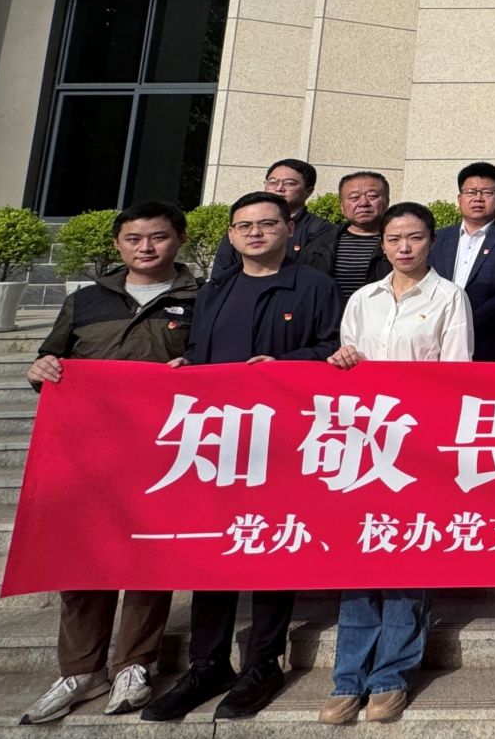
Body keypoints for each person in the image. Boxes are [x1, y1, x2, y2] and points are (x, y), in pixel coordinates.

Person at [142, 191, 341, 722]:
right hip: (220, 445)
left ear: (289, 231)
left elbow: (332, 349)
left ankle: (263, 663)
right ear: (231, 235)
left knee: (272, 546)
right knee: (215, 549)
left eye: (267, 224)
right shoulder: (215, 289)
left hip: (282, 441)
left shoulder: (316, 286)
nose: (255, 233)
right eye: (244, 226)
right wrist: (188, 366)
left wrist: (284, 365)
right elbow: (202, 354)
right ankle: (207, 664)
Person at [20, 201, 196, 724]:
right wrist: (41, 369)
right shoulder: (86, 300)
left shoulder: (202, 298)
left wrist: (197, 367)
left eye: (158, 237)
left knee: (148, 555)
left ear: (179, 240)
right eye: (134, 238)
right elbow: (50, 358)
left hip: (164, 451)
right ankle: (80, 670)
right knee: (81, 557)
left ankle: (134, 664)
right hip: (87, 450)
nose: (146, 247)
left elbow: (218, 362)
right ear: (118, 244)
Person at [319, 202, 472, 724]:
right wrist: (342, 360)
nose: (404, 247)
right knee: (361, 556)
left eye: (415, 237)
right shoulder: (363, 299)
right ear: (382, 244)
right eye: (394, 239)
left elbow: (457, 375)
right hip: (363, 446)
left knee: (405, 556)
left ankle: (391, 675)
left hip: (418, 447)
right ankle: (347, 678)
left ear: (432, 242)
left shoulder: (449, 297)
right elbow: (346, 362)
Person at [430, 161, 495, 361]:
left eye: (487, 192)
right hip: (435, 339)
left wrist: (463, 325)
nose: (478, 198)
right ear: (459, 198)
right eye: (471, 192)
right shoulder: (438, 238)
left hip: (487, 343)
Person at [209, 157, 337, 281]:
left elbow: (315, 276)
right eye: (272, 182)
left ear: (309, 191)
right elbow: (221, 272)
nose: (279, 188)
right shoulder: (242, 225)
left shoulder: (320, 229)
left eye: (289, 183)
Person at [328, 170, 392, 305]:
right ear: (341, 206)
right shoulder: (320, 245)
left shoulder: (399, 245)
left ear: (387, 201)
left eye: (372, 196)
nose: (363, 203)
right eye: (354, 197)